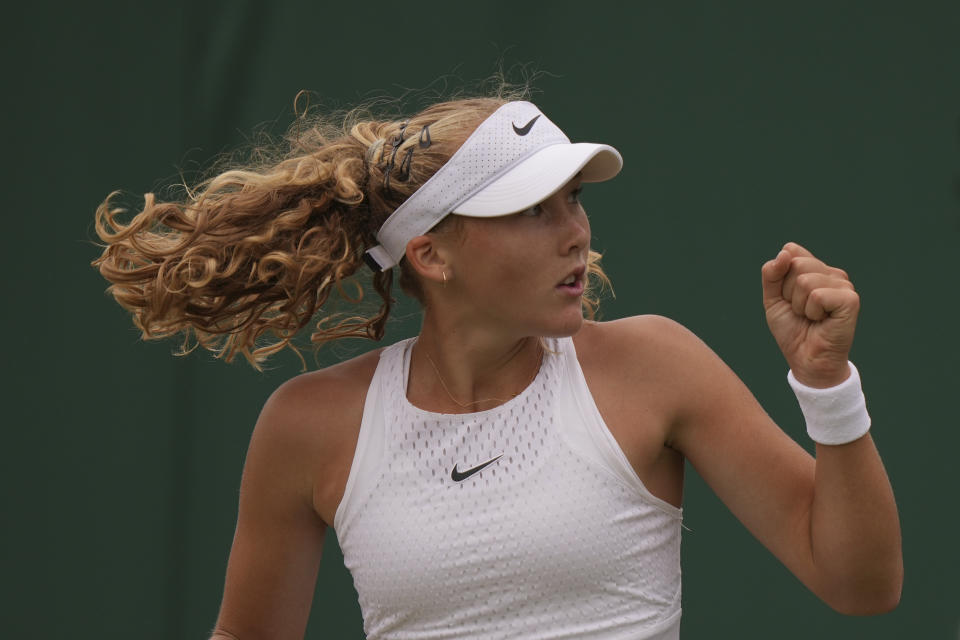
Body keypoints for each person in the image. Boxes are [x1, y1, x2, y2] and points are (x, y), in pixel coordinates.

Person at [93, 90, 902, 640]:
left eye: (576, 199)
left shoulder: (654, 365)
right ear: (433, 254)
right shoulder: (308, 426)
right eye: (531, 211)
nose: (575, 232)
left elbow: (861, 586)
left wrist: (827, 386)